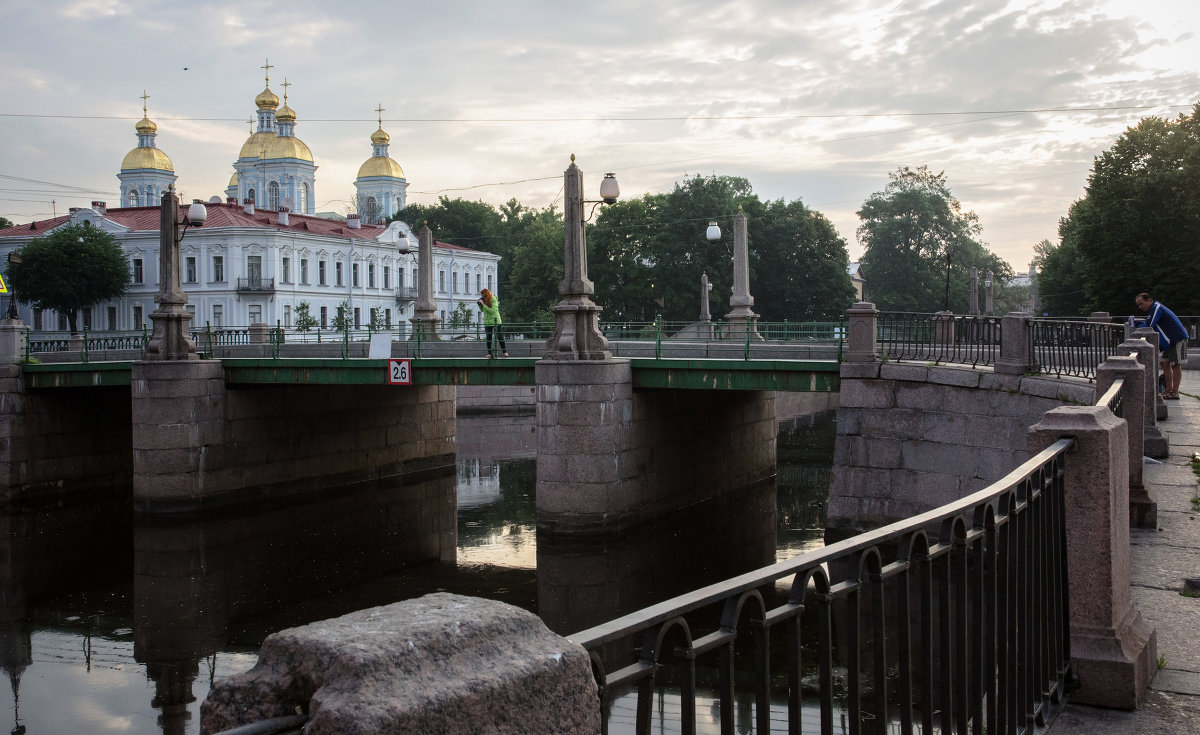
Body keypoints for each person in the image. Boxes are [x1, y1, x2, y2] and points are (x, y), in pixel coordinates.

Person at [1134, 292, 1188, 399]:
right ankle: (1168, 390)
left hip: (1177, 338)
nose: (1140, 307)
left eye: (1141, 303)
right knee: (1164, 362)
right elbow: (1148, 322)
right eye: (1138, 305)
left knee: (1175, 365)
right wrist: (1137, 323)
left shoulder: (1156, 308)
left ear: (1149, 300)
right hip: (1170, 341)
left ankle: (1174, 392)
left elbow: (1149, 325)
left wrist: (1136, 324)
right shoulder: (1153, 309)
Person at [477, 288, 508, 358]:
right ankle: (489, 353)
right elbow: (482, 310)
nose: (483, 297)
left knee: (499, 336)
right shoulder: (484, 300)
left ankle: (505, 351)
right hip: (487, 321)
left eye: (483, 296)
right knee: (488, 338)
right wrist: (480, 305)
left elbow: (492, 311)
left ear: (486, 295)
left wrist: (483, 304)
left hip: (495, 321)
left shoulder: (493, 299)